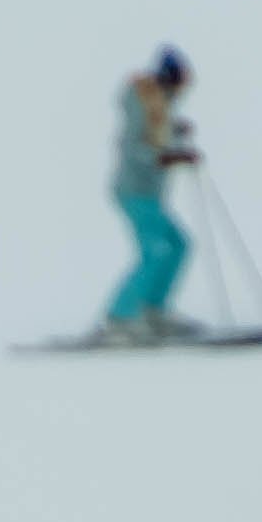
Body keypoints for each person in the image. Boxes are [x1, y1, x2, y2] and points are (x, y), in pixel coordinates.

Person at [103, 48, 201, 340]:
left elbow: (160, 135)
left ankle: (152, 311)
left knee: (179, 245)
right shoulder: (142, 100)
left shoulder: (161, 104)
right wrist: (165, 158)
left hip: (150, 193)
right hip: (134, 190)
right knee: (155, 252)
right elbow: (133, 144)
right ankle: (119, 318)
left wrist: (178, 135)